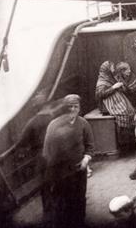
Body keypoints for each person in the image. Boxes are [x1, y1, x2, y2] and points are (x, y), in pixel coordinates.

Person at [42, 94, 94, 228]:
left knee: (79, 199)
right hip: (60, 173)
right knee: (62, 201)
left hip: (79, 170)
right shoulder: (53, 125)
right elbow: (47, 150)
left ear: (79, 108)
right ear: (65, 108)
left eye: (75, 106)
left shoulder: (83, 124)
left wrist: (85, 160)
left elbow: (90, 146)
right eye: (69, 107)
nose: (72, 109)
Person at [95, 60, 136, 147]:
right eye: (111, 68)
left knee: (130, 111)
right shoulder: (102, 81)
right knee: (124, 113)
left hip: (115, 100)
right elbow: (100, 95)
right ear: (106, 69)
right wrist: (114, 87)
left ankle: (127, 142)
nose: (113, 69)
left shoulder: (111, 77)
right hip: (106, 105)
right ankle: (122, 143)